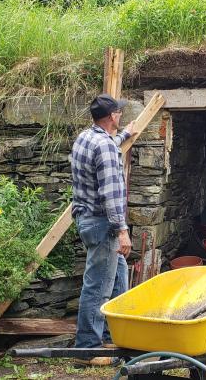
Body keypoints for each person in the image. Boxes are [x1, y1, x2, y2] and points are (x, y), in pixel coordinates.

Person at [69, 94, 135, 365]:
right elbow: (110, 194)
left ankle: (110, 337)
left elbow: (105, 150)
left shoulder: (86, 138)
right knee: (98, 287)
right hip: (103, 224)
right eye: (118, 113)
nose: (120, 116)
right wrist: (122, 230)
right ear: (112, 117)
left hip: (87, 220)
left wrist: (124, 136)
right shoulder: (105, 147)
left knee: (119, 281)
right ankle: (87, 349)